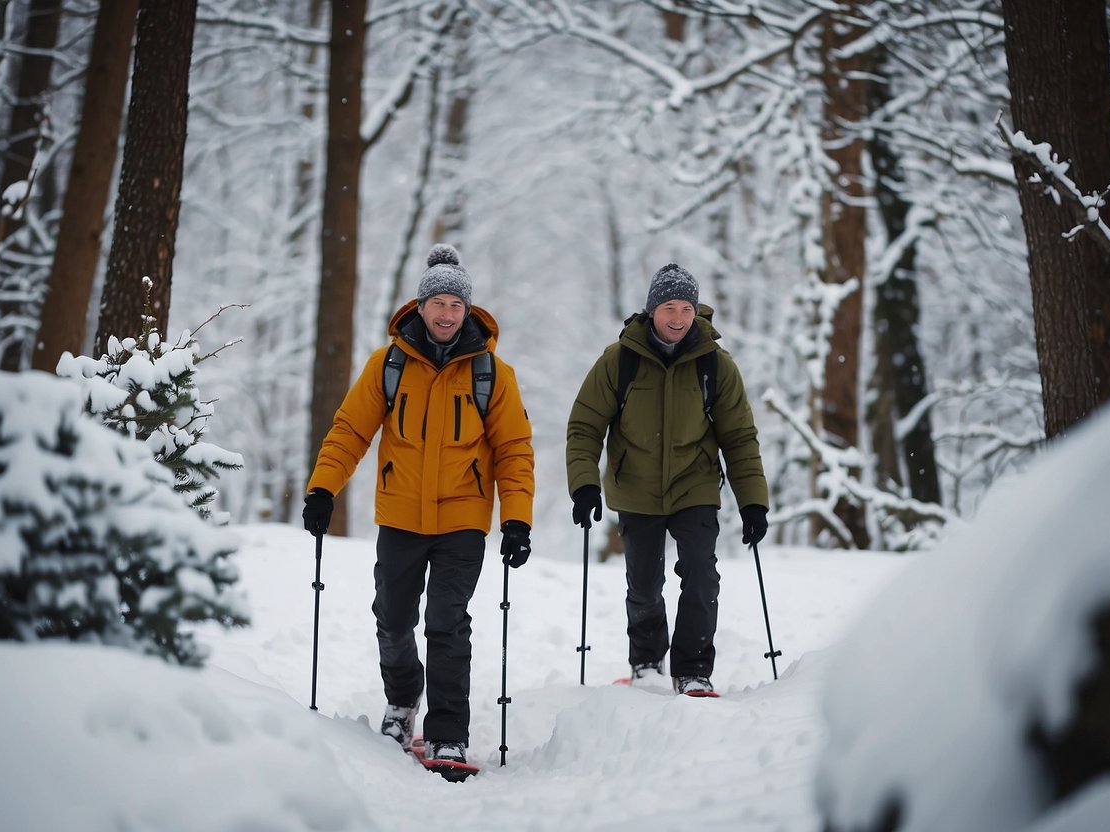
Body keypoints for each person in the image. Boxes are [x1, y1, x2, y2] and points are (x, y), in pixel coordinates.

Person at [302, 244, 534, 767]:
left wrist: (516, 519)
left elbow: (514, 450)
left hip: (463, 520)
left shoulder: (492, 374)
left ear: (466, 311)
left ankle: (448, 733)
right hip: (401, 516)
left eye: (456, 304)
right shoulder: (387, 366)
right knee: (392, 618)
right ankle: (403, 699)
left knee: (447, 623)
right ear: (421, 307)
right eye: (438, 304)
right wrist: (323, 488)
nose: (446, 314)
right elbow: (350, 430)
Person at [565, 263, 769, 696]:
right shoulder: (619, 361)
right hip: (635, 487)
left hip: (694, 485)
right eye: (669, 308)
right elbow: (585, 425)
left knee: (700, 574)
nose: (678, 318)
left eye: (686, 309)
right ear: (652, 310)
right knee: (644, 585)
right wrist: (584, 484)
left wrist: (753, 501)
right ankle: (646, 660)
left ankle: (693, 668)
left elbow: (739, 437)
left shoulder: (715, 365)